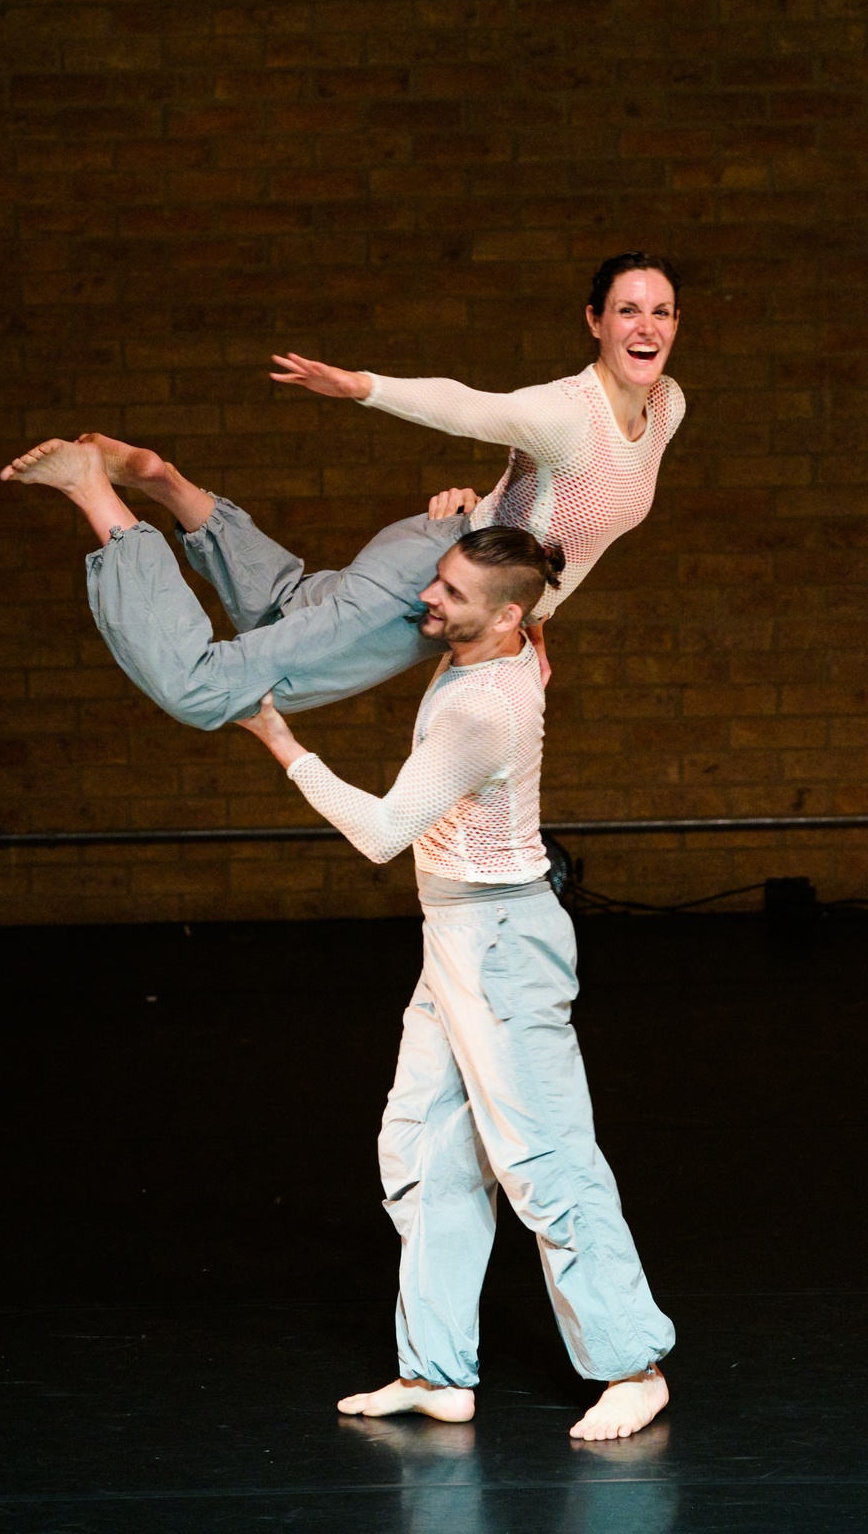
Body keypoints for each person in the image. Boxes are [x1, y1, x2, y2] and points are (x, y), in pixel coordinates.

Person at [237, 525, 674, 1441]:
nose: (428, 598)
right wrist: (461, 513)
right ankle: (435, 1370)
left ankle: (633, 1366)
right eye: (437, 579)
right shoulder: (513, 642)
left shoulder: (484, 708)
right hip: (455, 937)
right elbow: (531, 551)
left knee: (544, 1158)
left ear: (507, 617)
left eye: (451, 593)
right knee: (423, 1150)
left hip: (502, 946)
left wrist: (278, 739)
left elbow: (381, 832)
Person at [0, 253, 684, 721]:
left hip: (448, 557)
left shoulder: (667, 408)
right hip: (431, 583)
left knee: (285, 611)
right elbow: (470, 406)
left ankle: (165, 482)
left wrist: (534, 625)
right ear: (595, 321)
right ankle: (94, 492)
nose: (647, 327)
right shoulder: (568, 413)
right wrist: (361, 387)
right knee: (203, 689)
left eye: (663, 312)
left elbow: (557, 528)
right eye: (628, 310)